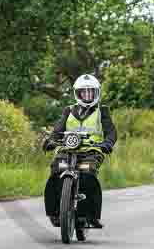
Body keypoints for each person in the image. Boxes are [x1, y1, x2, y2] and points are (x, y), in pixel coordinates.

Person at [42, 74, 117, 229]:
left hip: (92, 151)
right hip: (67, 150)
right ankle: (55, 213)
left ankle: (92, 215)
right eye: (84, 92)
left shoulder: (102, 111)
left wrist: (107, 143)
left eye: (91, 92)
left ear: (96, 93)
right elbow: (58, 130)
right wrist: (51, 141)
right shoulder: (68, 110)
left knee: (88, 175)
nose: (88, 95)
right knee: (56, 172)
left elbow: (111, 132)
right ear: (78, 93)